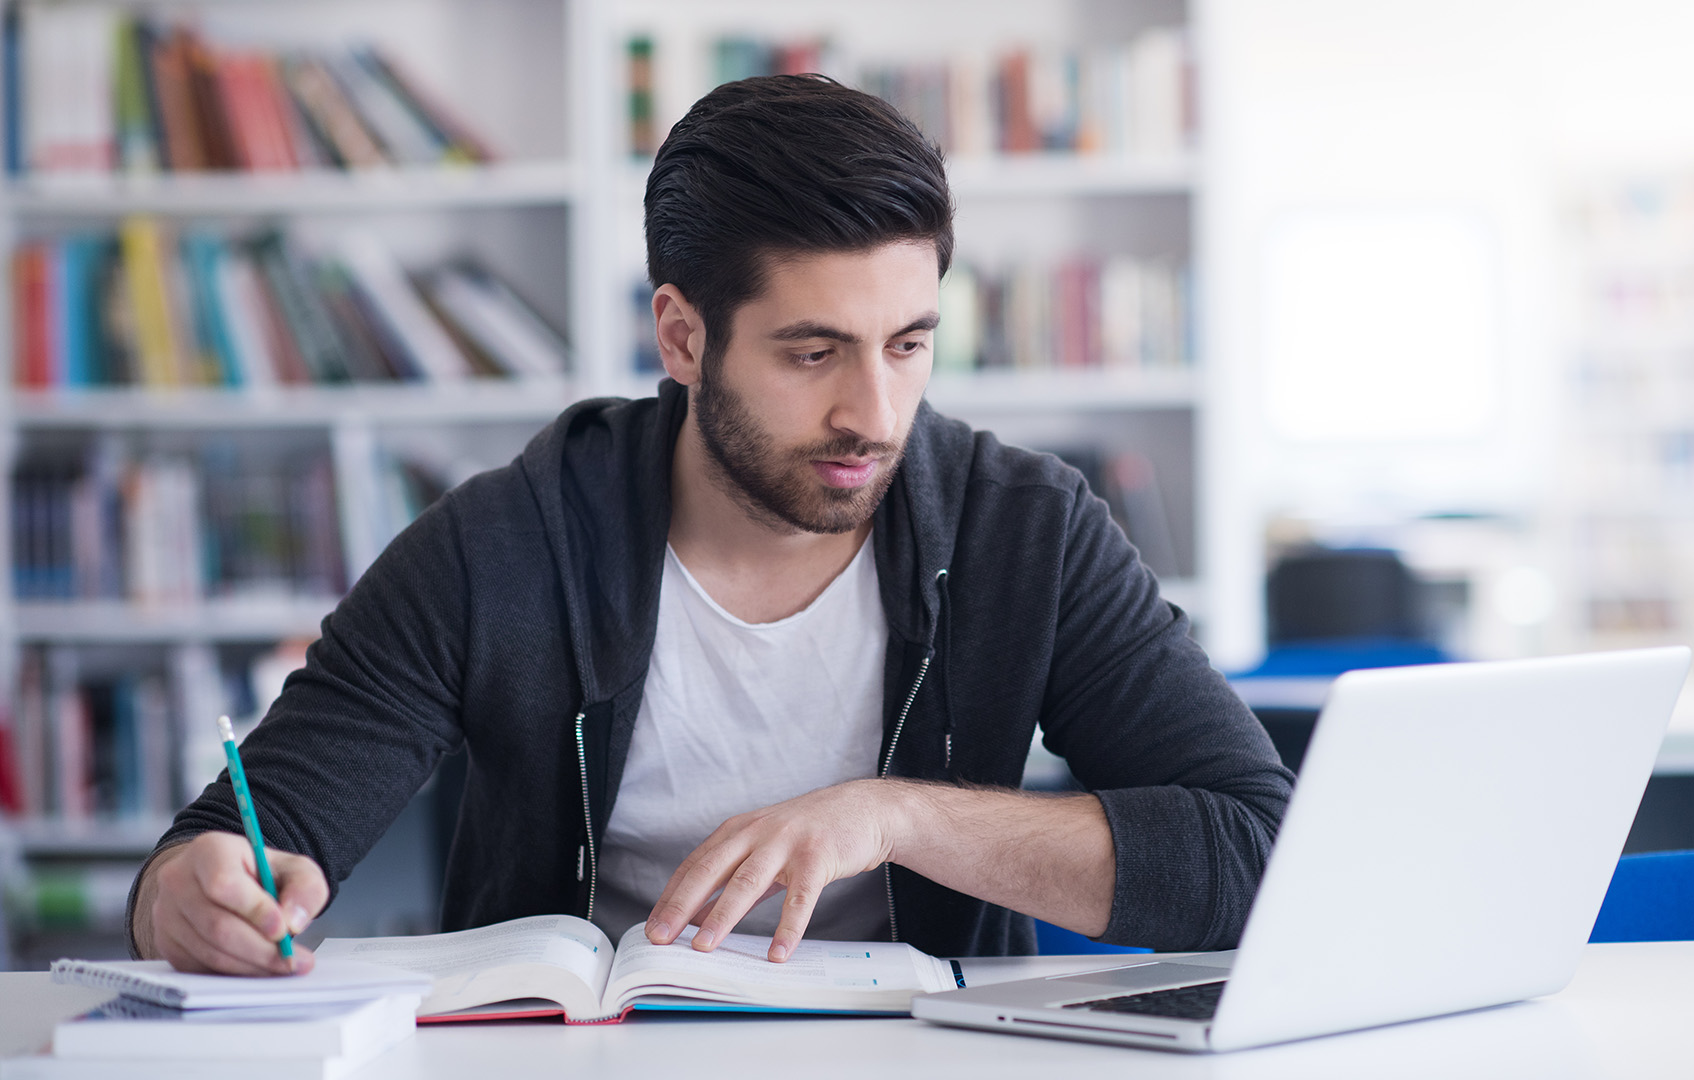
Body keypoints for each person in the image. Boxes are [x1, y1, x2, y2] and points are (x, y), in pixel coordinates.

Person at [127, 75, 1293, 976]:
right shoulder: (501, 546)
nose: (873, 415)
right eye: (812, 351)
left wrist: (893, 818)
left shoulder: (1024, 533)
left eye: (908, 344)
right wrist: (191, 893)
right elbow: (232, 837)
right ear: (681, 338)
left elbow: (1253, 854)